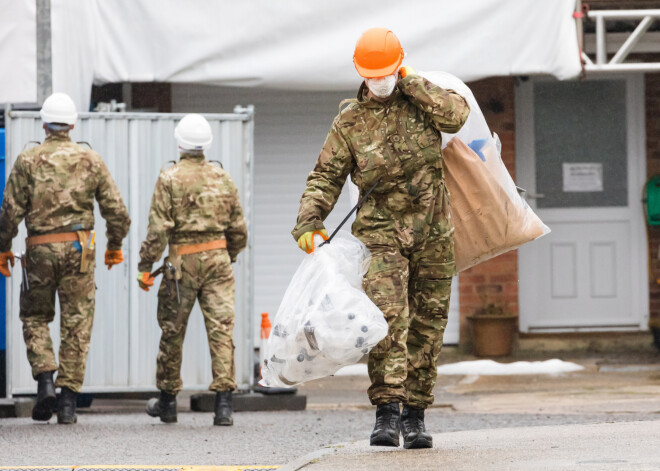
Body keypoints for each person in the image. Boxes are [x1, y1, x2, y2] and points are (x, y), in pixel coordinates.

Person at [292, 28, 470, 448]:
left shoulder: (423, 102)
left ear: (399, 65)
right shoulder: (349, 122)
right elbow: (325, 176)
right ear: (361, 74)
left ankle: (416, 416)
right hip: (381, 236)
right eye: (373, 75)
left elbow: (457, 116)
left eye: (387, 73)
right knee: (389, 319)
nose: (381, 81)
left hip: (433, 234)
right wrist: (308, 221)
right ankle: (387, 413)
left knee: (428, 325)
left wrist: (413, 82)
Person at [0, 92, 131, 424]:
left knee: (35, 317)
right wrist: (114, 245)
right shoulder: (91, 159)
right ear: (72, 124)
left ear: (43, 124)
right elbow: (117, 212)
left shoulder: (27, 160)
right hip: (79, 250)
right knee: (77, 323)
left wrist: (3, 248)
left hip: (39, 250)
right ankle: (69, 402)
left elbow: (8, 213)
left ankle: (45, 379)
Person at [137, 113, 247, 426]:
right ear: (207, 145)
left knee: (173, 331)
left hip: (181, 265)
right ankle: (224, 405)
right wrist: (230, 255)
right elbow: (239, 228)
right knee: (222, 330)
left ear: (180, 142)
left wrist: (145, 266)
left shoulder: (169, 178)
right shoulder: (223, 178)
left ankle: (168, 403)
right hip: (218, 260)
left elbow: (158, 229)